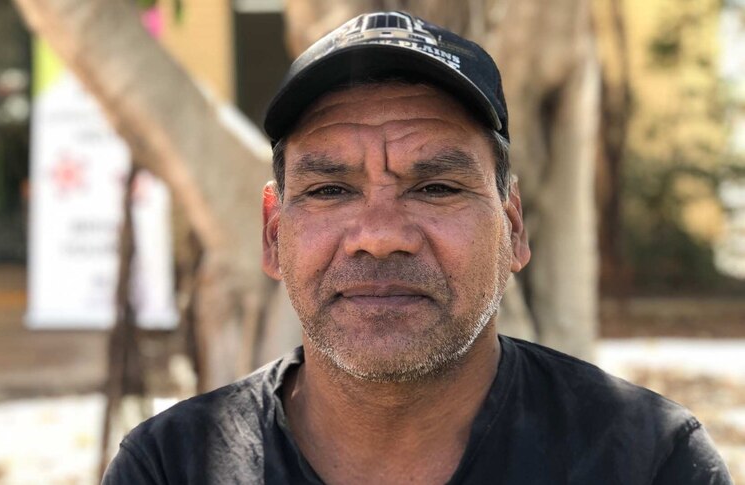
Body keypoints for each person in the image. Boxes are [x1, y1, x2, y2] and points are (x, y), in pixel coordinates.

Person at [102, 11, 732, 484]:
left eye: (435, 187)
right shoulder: (169, 467)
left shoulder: (648, 461)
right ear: (273, 234)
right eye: (329, 189)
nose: (380, 235)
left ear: (513, 228)